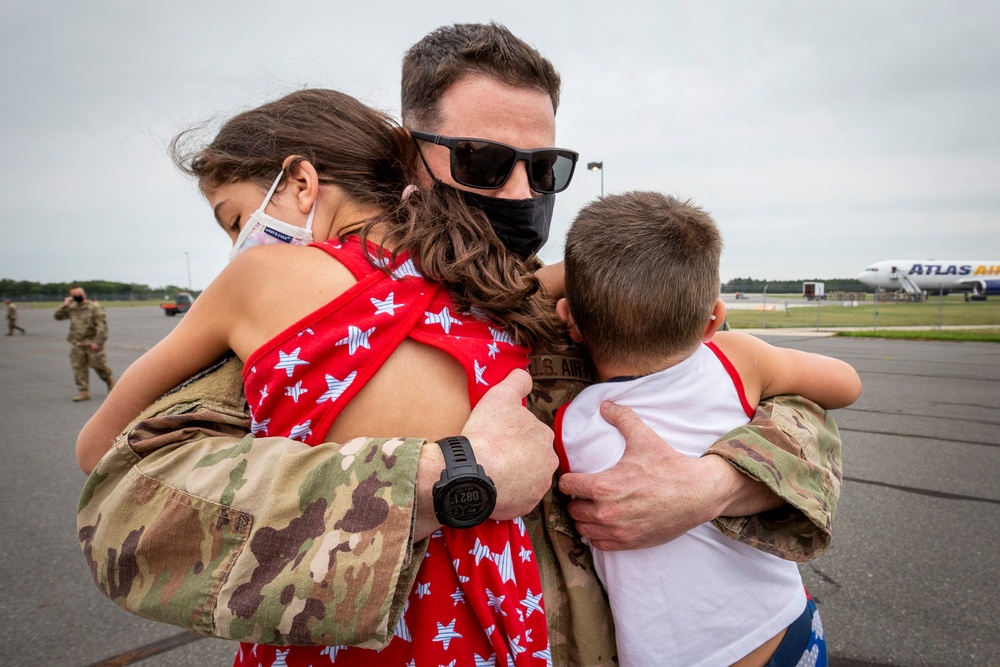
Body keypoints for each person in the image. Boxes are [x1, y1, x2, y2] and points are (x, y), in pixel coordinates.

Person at [76, 23, 842, 665]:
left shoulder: (557, 299)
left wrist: (714, 482)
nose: (519, 193)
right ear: (413, 159)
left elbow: (768, 391)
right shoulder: (302, 310)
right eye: (483, 162)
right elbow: (128, 500)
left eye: (545, 170)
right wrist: (445, 478)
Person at [78, 88, 565, 665]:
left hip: (346, 619)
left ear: (301, 182)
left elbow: (100, 446)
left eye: (237, 219)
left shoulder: (260, 276)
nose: (238, 244)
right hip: (491, 620)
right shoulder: (488, 287)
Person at [554, 192, 861, 666]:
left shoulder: (570, 424)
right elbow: (845, 383)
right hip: (788, 628)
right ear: (713, 319)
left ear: (568, 320)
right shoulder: (736, 361)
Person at [54, 286, 114, 401]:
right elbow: (57, 316)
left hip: (92, 343)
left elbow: (102, 326)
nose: (77, 296)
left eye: (78, 294)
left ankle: (110, 383)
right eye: (74, 295)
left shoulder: (94, 307)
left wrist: (97, 342)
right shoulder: (71, 308)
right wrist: (65, 304)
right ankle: (83, 391)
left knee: (99, 366)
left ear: (84, 294)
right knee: (79, 368)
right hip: (77, 344)